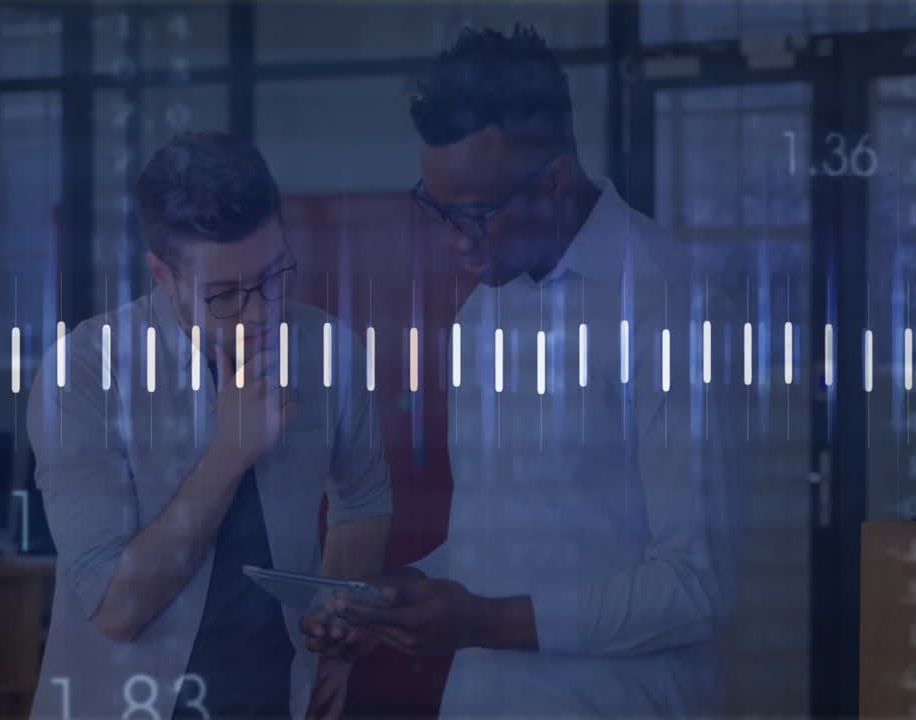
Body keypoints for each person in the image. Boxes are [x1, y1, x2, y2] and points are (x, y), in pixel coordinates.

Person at [302, 25, 746, 717]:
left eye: (476, 215)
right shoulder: (485, 310)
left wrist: (484, 622)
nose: (454, 241)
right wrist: (397, 599)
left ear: (554, 180)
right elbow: (497, 545)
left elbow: (699, 585)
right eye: (437, 210)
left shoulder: (670, 307)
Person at [28, 131, 392, 720]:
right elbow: (116, 610)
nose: (260, 311)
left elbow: (364, 498)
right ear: (161, 274)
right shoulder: (84, 371)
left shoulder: (329, 351)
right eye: (224, 294)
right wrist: (230, 453)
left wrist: (340, 637)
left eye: (275, 277)